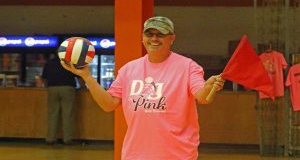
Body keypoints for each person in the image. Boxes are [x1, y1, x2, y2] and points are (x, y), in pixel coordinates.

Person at [61, 16, 225, 159]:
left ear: (172, 38)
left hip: (178, 155)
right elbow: (108, 104)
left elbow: (202, 97)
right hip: (135, 155)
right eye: (149, 34)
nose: (154, 38)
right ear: (142, 38)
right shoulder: (128, 70)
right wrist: (87, 77)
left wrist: (210, 86)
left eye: (160, 34)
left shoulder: (188, 66)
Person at [42, 53, 79, 145]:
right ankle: (67, 139)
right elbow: (79, 76)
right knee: (67, 114)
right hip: (67, 88)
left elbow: (44, 78)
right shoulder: (70, 62)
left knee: (52, 114)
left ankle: (50, 139)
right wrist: (83, 87)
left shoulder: (49, 62)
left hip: (52, 88)